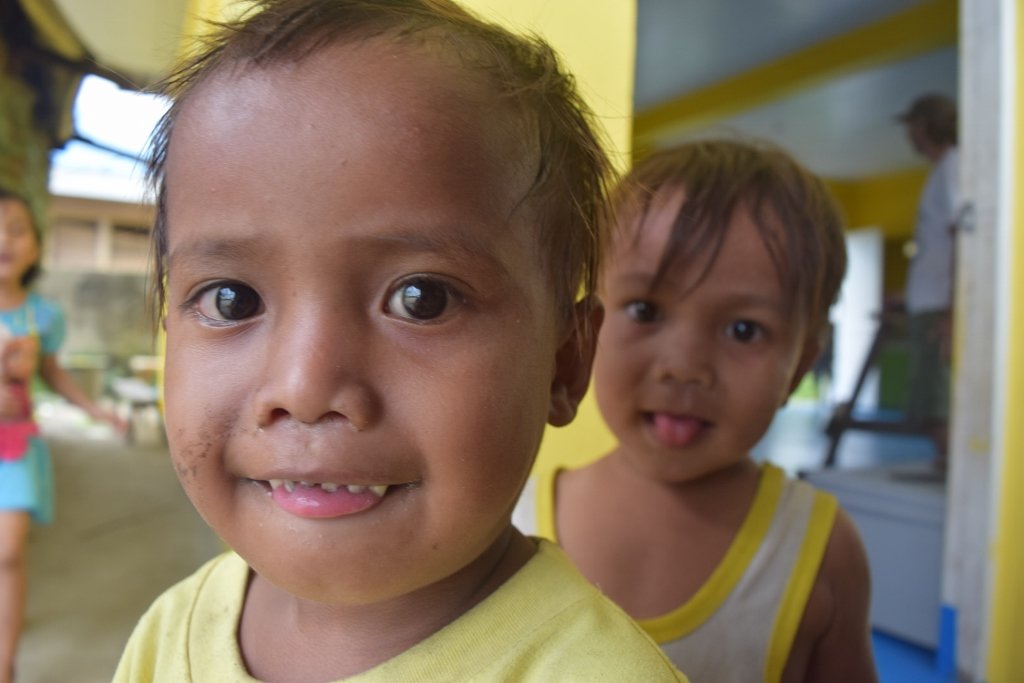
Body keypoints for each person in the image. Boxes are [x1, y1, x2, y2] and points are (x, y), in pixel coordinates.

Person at [112, 1, 688, 681]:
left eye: (423, 299)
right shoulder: (171, 632)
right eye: (231, 298)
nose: (304, 386)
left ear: (565, 360)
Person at [515, 139, 878, 682]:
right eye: (645, 310)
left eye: (743, 330)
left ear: (799, 368)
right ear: (585, 332)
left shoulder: (820, 549)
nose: (685, 366)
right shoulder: (510, 521)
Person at [0, 188, 123, 683]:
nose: (3, 240)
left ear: (34, 245)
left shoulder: (44, 316)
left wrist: (94, 409)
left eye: (16, 229)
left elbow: (52, 373)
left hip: (16, 449)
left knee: (8, 555)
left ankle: (4, 666)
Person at [896, 93, 959, 469]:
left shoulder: (954, 166)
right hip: (929, 301)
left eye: (913, 126)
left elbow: (963, 238)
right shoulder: (940, 171)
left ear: (928, 125)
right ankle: (945, 464)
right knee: (927, 399)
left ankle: (953, 472)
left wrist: (953, 309)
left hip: (940, 305)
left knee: (939, 403)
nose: (910, 135)